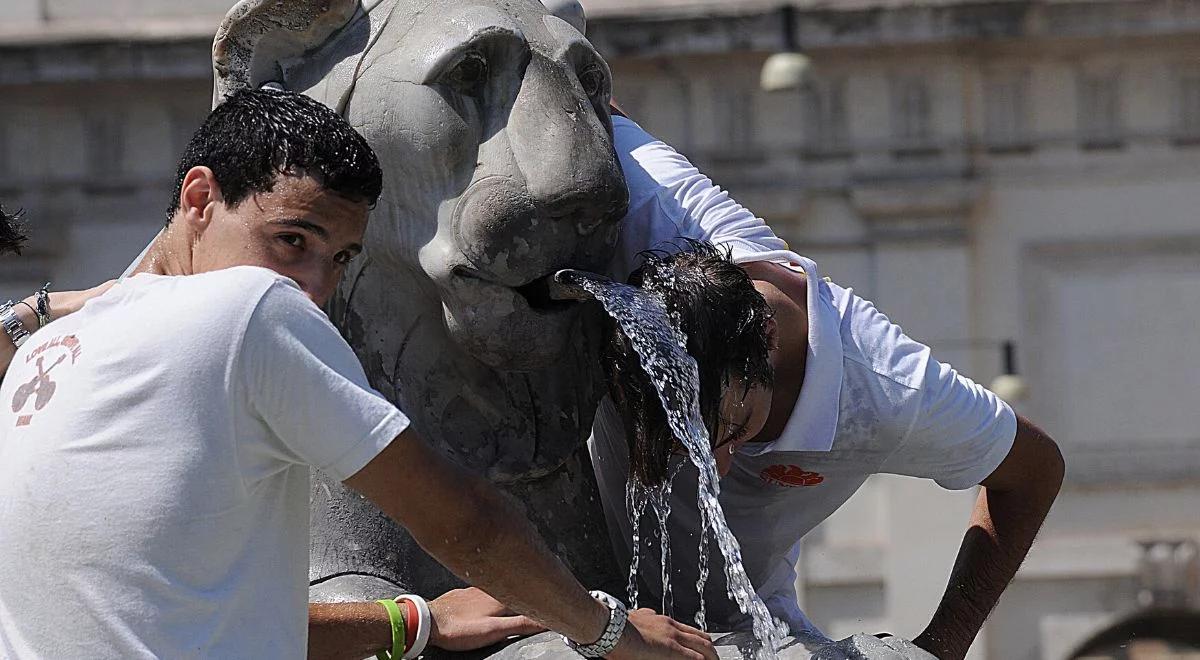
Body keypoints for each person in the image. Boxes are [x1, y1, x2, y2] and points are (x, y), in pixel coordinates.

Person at [0, 88, 716, 660]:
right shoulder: (250, 307)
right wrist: (613, 635)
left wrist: (412, 624)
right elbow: (461, 522)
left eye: (340, 258)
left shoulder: (44, 355)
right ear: (197, 198)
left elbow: (177, 619)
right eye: (291, 239)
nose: (312, 285)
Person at [591, 242, 1065, 660]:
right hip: (581, 593)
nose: (715, 469)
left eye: (734, 431)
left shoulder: (893, 391)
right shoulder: (644, 223)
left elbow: (1035, 469)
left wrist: (943, 646)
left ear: (768, 338)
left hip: (745, 629)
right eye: (681, 447)